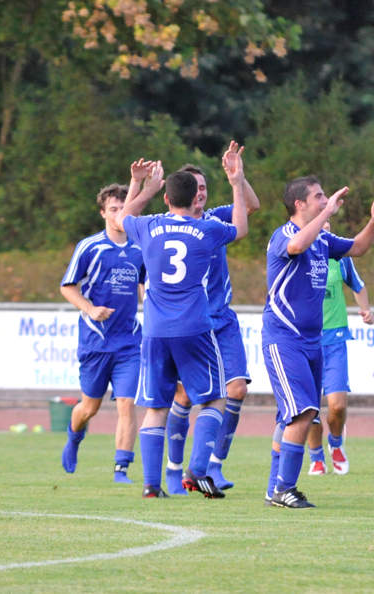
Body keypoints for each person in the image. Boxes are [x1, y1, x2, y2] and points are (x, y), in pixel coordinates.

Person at [113, 150, 247, 498]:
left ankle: (151, 485)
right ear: (196, 198)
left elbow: (123, 218)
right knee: (215, 400)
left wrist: (144, 187)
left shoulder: (149, 226)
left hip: (155, 330)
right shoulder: (207, 229)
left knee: (156, 407)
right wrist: (236, 183)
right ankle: (198, 469)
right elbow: (242, 228)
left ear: (167, 198)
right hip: (194, 327)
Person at [262, 176, 374, 508]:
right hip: (284, 339)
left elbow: (358, 247)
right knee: (302, 413)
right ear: (300, 204)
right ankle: (283, 489)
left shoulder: (323, 239)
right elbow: (296, 247)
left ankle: (275, 489)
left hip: (312, 341)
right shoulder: (284, 234)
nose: (325, 200)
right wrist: (326, 214)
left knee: (297, 415)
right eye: (318, 196)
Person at [162, 142, 261, 496]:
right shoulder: (167, 228)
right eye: (195, 187)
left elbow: (251, 206)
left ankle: (214, 465)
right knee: (186, 395)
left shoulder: (217, 219)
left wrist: (238, 178)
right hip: (188, 324)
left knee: (237, 389)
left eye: (204, 186)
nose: (200, 192)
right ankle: (174, 470)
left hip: (221, 321)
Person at [59, 163, 156, 483]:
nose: (119, 214)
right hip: (96, 341)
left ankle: (121, 468)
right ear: (103, 213)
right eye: (113, 209)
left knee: (127, 403)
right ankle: (74, 438)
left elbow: (145, 286)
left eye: (123, 208)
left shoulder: (140, 249)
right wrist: (90, 309)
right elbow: (67, 286)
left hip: (129, 342)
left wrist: (152, 304)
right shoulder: (90, 247)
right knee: (89, 407)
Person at [307, 221, 374, 476]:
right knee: (309, 408)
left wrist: (366, 310)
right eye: (320, 222)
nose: (324, 227)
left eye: (328, 223)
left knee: (337, 406)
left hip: (334, 339)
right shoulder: (299, 253)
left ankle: (335, 444)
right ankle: (316, 457)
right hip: (305, 341)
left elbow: (358, 285)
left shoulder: (340, 256)